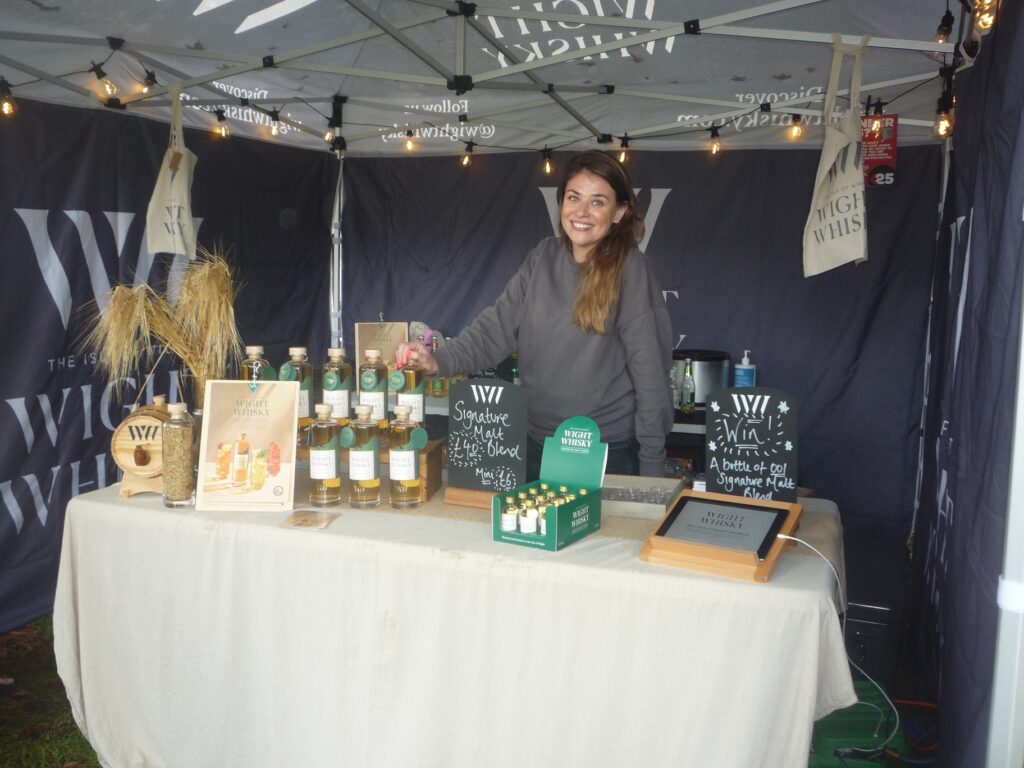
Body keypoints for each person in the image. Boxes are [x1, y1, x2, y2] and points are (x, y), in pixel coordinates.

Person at [396, 150, 674, 478]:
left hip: (603, 452)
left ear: (619, 212)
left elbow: (651, 375)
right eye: (573, 198)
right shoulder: (542, 257)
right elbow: (493, 330)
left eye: (597, 202)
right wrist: (436, 360)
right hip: (535, 443)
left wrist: (652, 464)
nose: (581, 212)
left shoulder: (631, 269)